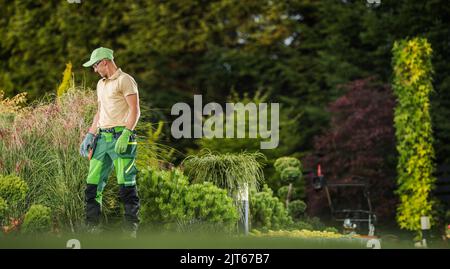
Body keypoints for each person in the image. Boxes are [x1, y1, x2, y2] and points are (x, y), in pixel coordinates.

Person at [79, 47, 141, 237]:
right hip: (102, 139)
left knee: (126, 185)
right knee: (92, 185)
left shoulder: (125, 80)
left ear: (105, 61)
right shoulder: (100, 84)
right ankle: (92, 228)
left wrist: (126, 134)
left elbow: (135, 110)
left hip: (120, 138)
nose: (94, 69)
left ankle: (131, 231)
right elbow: (100, 112)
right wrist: (90, 134)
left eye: (95, 65)